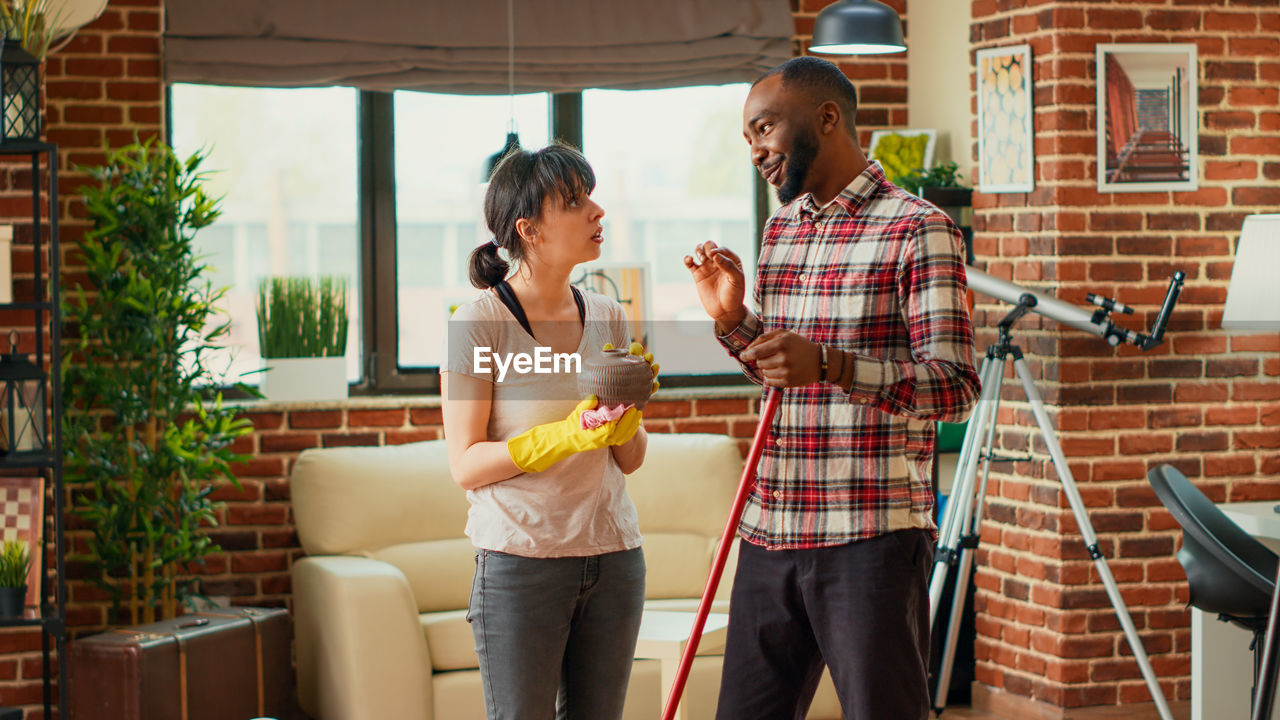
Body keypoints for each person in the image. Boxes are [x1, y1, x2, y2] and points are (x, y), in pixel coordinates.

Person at [684, 56, 980, 720]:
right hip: (771, 531)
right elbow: (784, 374)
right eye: (748, 138)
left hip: (869, 537)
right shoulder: (780, 232)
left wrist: (834, 367)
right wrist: (735, 321)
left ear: (826, 118)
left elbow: (956, 387)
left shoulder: (918, 228)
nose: (757, 150)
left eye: (764, 128)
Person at [442, 142, 656, 720]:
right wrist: (565, 435)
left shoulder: (608, 314)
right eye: (575, 201)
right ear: (528, 229)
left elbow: (630, 459)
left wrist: (623, 418)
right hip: (521, 561)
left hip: (614, 556)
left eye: (592, 196)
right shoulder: (479, 323)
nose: (597, 212)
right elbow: (465, 462)